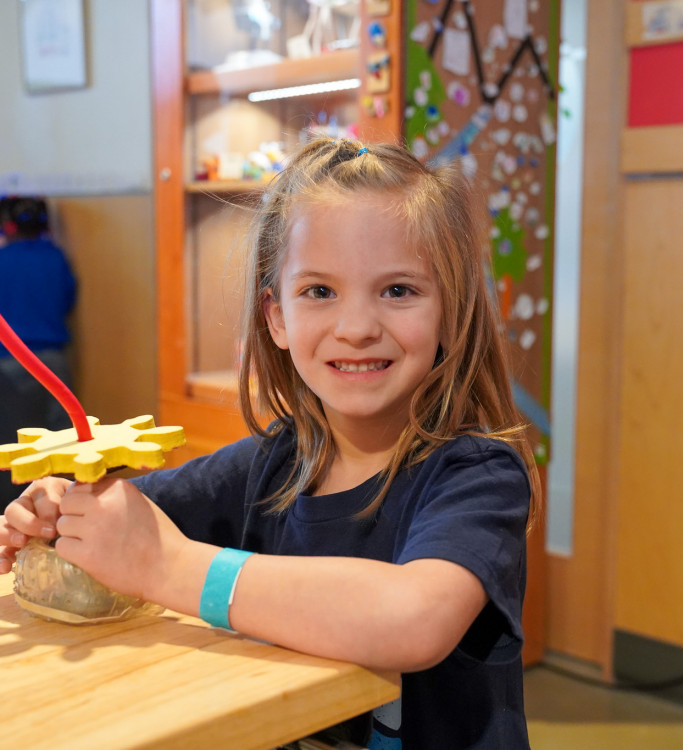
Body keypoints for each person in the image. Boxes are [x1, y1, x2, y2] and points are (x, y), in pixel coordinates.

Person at [0, 139, 540, 749]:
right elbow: (131, 514)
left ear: (450, 309)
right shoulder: (275, 461)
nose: (357, 327)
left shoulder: (478, 474)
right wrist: (60, 511)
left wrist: (168, 566)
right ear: (276, 316)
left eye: (398, 291)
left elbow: (414, 620)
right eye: (318, 292)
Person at [0, 196, 77, 510]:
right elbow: (67, 301)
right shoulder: (57, 258)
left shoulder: (3, 259)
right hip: (54, 365)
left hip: (6, 366)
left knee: (12, 449)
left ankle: (14, 515)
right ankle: (57, 514)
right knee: (58, 448)